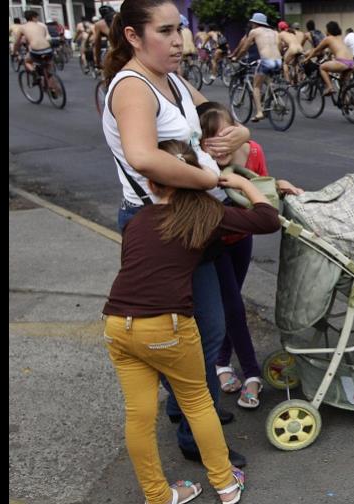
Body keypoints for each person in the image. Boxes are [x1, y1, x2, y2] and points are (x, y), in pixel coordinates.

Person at [101, 0, 253, 472]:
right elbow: (143, 156)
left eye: (179, 29)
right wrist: (207, 178)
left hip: (187, 221)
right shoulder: (133, 87)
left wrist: (239, 133)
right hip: (159, 227)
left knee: (205, 328)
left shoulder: (171, 79)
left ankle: (186, 408)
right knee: (196, 334)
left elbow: (216, 114)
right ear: (133, 36)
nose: (177, 41)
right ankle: (194, 432)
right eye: (165, 31)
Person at [104, 138, 273, 504]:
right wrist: (242, 184)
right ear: (195, 176)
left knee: (138, 416)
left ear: (151, 183)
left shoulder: (137, 221)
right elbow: (267, 219)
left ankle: (158, 496)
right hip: (166, 325)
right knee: (197, 403)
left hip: (117, 322)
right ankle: (226, 485)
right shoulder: (204, 214)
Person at [196, 103, 303, 408]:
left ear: (236, 132)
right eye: (209, 141)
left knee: (232, 304)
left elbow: (262, 190)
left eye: (225, 137)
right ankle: (252, 374)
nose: (219, 147)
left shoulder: (253, 151)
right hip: (213, 242)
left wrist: (280, 187)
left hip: (242, 239)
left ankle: (221, 361)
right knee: (233, 307)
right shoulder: (200, 165)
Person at [229, 13, 282, 122]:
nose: (251, 25)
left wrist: (236, 58)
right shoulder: (274, 32)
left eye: (252, 23)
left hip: (266, 61)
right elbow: (279, 46)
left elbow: (244, 48)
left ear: (255, 23)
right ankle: (273, 98)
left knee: (256, 87)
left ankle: (259, 112)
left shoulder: (254, 32)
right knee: (268, 80)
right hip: (278, 61)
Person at [14, 10, 62, 97]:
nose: (37, 19)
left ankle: (35, 74)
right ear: (33, 17)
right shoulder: (42, 26)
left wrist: (14, 51)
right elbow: (40, 38)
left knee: (27, 61)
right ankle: (51, 87)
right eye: (37, 17)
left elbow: (17, 42)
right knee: (47, 70)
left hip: (36, 50)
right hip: (48, 49)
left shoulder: (22, 27)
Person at [302, 21, 354, 97]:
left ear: (329, 30)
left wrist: (307, 59)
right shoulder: (340, 38)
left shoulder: (328, 39)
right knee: (343, 84)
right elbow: (333, 50)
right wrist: (329, 56)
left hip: (342, 62)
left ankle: (330, 87)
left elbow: (316, 50)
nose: (325, 31)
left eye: (326, 29)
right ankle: (349, 100)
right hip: (352, 63)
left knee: (322, 67)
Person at [92, 4, 115, 70]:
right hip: (132, 49)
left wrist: (97, 62)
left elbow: (97, 44)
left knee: (108, 72)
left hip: (114, 50)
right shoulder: (121, 18)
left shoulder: (99, 24)